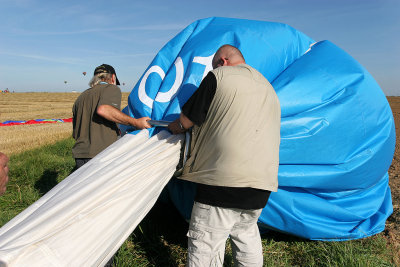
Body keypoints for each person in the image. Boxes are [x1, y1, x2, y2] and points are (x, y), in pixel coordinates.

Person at [168, 45, 281, 266]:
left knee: (205, 244)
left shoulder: (219, 76)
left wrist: (175, 126)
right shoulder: (267, 86)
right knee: (246, 236)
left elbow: (187, 120)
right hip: (262, 183)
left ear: (223, 61)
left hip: (222, 181)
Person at [72, 64, 151, 169]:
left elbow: (75, 132)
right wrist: (135, 122)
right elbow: (104, 109)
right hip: (101, 154)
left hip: (80, 154)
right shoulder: (111, 88)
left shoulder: (81, 97)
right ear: (113, 77)